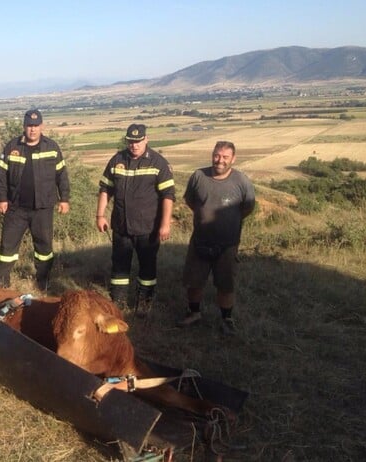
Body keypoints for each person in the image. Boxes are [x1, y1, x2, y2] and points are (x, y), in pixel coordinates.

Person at [96, 123, 175, 318]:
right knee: (120, 266)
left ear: (146, 139)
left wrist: (165, 224)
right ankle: (118, 304)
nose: (134, 145)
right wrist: (100, 215)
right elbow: (105, 189)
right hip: (121, 226)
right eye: (131, 141)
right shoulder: (117, 160)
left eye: (138, 141)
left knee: (147, 266)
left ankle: (144, 303)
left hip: (148, 228)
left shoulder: (158, 162)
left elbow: (168, 195)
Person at [177, 141, 255, 335]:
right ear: (212, 155)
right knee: (194, 281)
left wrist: (229, 221)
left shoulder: (241, 181)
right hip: (200, 240)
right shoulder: (198, 176)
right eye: (217, 155)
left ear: (233, 159)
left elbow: (248, 207)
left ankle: (226, 319)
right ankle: (193, 313)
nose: (220, 160)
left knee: (225, 284)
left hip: (227, 244)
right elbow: (190, 200)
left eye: (225, 157)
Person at [0, 109, 70, 291]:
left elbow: (62, 175)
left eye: (36, 126)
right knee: (7, 246)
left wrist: (64, 198)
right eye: (29, 126)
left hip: (42, 208)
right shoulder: (12, 147)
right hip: (15, 208)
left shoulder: (51, 147)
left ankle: (42, 281)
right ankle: (0, 282)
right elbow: (1, 176)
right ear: (24, 127)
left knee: (44, 247)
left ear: (41, 126)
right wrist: (1, 199)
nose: (32, 130)